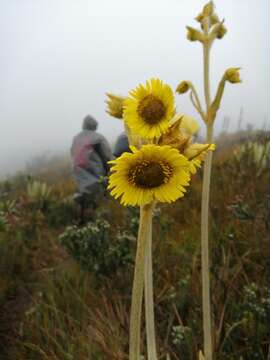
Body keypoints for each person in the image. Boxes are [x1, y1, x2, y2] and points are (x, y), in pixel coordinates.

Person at [71, 115, 113, 224]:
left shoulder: (76, 138)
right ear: (94, 126)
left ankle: (78, 222)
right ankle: (92, 224)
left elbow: (72, 153)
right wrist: (114, 170)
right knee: (95, 199)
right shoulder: (98, 138)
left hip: (78, 171)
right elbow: (108, 157)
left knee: (83, 195)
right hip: (94, 173)